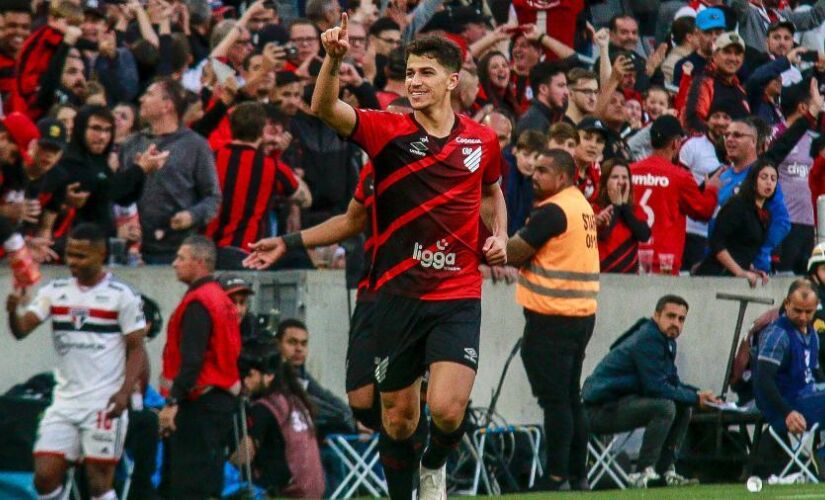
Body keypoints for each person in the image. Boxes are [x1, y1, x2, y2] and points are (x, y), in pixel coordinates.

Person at [266, 15, 507, 500]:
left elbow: (492, 192)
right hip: (396, 295)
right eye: (411, 73)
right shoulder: (388, 131)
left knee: (447, 409)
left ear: (452, 81)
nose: (415, 82)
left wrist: (498, 234)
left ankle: (434, 465)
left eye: (426, 74)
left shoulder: (481, 140)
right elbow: (324, 107)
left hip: (458, 292)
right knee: (396, 419)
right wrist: (333, 60)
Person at [6, 223, 147, 500]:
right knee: (44, 477)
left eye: (81, 256)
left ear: (101, 254)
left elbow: (137, 349)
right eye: (70, 254)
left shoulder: (122, 295)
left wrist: (124, 391)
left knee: (98, 482)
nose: (73, 262)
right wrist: (13, 311)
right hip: (65, 402)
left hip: (104, 403)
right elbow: (22, 330)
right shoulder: (55, 291)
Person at [506, 149, 599, 491]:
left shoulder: (553, 210)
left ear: (562, 177)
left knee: (556, 401)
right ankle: (578, 475)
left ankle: (556, 475)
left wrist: (489, 243)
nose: (534, 173)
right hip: (580, 316)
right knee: (570, 399)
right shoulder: (580, 205)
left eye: (543, 170)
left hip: (552, 318)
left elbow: (514, 252)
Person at [582, 295, 719, 488]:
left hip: (619, 404)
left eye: (681, 319)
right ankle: (642, 472)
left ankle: (665, 471)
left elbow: (672, 383)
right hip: (597, 410)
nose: (676, 323)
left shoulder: (664, 340)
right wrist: (696, 399)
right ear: (656, 315)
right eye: (671, 316)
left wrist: (700, 396)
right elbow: (655, 387)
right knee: (665, 407)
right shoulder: (648, 338)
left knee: (683, 406)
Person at [158, 235, 242, 498]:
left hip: (199, 404)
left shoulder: (199, 302)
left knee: (187, 485)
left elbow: (192, 360)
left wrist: (173, 402)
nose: (175, 264)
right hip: (219, 401)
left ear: (201, 262)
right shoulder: (220, 299)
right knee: (206, 483)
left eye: (181, 258)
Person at [116, 78, 221, 264]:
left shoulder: (196, 146)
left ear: (167, 105)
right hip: (133, 251)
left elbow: (213, 197)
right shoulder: (130, 145)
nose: (141, 99)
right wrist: (120, 225)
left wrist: (192, 215)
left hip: (179, 253)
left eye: (149, 94)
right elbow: (120, 194)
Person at [204, 102, 310, 252]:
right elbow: (305, 199)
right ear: (261, 131)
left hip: (206, 251)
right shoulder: (272, 166)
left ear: (231, 127)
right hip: (246, 252)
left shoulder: (210, 158)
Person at [630, 115, 720, 274]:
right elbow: (703, 211)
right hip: (665, 264)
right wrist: (711, 189)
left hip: (631, 259)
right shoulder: (680, 177)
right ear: (676, 143)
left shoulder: (630, 171)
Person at [234, 349, 325, 498]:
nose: (245, 381)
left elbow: (245, 453)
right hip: (314, 489)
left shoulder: (264, 407)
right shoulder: (295, 400)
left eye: (250, 375)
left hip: (290, 490)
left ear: (269, 376)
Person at [754, 279, 825, 436]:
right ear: (787, 303)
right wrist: (787, 412)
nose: (803, 317)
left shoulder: (812, 333)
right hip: (784, 404)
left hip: (807, 396)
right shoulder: (778, 334)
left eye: (808, 312)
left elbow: (816, 373)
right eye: (797, 310)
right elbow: (763, 380)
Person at [696, 161, 778, 285]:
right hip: (715, 276)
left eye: (773, 179)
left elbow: (742, 249)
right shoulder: (737, 205)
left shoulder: (765, 214)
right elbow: (717, 243)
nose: (769, 182)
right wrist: (739, 272)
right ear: (753, 180)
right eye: (764, 177)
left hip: (733, 277)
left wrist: (752, 269)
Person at [593, 158, 651, 273]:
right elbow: (604, 235)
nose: (621, 182)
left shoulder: (635, 209)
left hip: (630, 279)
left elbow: (644, 235)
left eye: (625, 178)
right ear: (605, 182)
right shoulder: (595, 208)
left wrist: (623, 206)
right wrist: (616, 206)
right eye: (615, 177)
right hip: (603, 274)